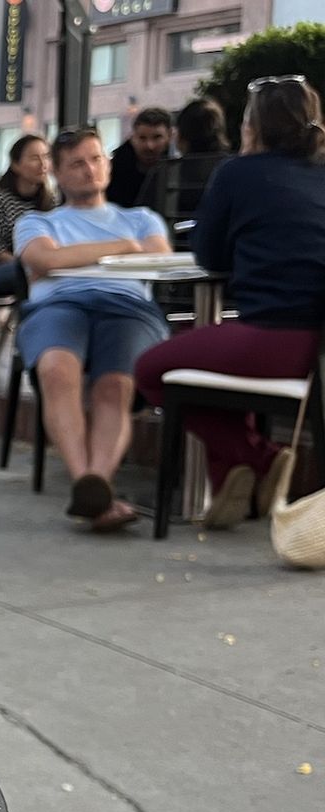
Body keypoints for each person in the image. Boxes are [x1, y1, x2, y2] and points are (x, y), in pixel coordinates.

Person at [136, 77, 325, 528]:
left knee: (149, 369)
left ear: (255, 126)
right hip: (319, 347)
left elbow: (208, 255)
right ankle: (230, 487)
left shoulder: (238, 173)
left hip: (273, 339)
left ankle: (259, 458)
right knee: (216, 369)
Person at [15, 127, 174, 530]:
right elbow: (44, 261)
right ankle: (91, 485)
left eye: (96, 158)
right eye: (77, 163)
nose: (90, 169)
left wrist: (75, 257)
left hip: (127, 308)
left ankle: (94, 486)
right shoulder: (36, 221)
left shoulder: (140, 218)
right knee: (55, 370)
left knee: (115, 386)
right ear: (58, 174)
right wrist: (121, 248)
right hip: (59, 305)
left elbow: (159, 258)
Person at [137, 98, 232, 226]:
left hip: (174, 243)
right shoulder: (235, 170)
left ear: (181, 135)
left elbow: (141, 221)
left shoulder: (166, 174)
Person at [0, 135, 56, 295]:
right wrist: (31, 265)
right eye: (35, 158)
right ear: (15, 165)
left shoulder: (52, 199)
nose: (43, 164)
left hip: (39, 264)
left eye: (46, 157)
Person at [108, 107, 173, 208]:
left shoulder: (177, 171)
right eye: (142, 138)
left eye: (157, 137)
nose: (149, 146)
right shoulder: (110, 173)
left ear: (169, 136)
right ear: (133, 137)